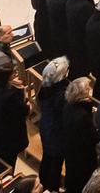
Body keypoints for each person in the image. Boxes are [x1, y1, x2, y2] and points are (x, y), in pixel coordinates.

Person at [37, 58, 70, 191]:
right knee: (56, 164)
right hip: (57, 131)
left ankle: (42, 185)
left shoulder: (45, 86)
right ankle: (52, 188)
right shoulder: (61, 94)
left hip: (45, 126)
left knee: (47, 157)